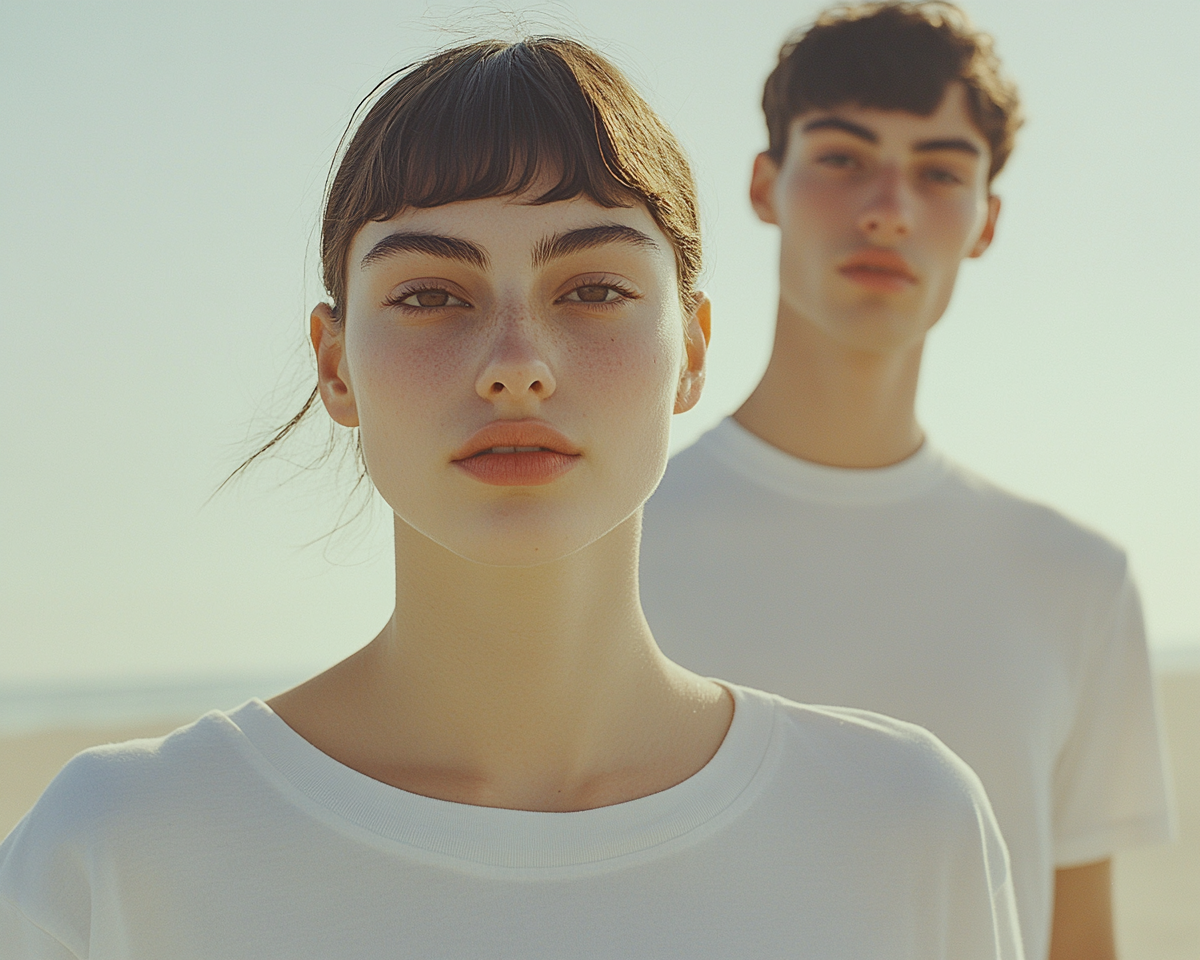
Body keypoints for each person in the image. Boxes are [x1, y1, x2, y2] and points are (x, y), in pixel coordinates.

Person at [0, 36, 1022, 960]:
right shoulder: (118, 848)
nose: (517, 367)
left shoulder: (901, 827)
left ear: (695, 351)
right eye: (432, 296)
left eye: (593, 289)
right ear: (335, 363)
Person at [638, 5, 1173, 960]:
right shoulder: (613, 543)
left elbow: (1079, 943)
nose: (888, 207)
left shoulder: (1077, 582)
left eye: (938, 171)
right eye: (843, 158)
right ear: (766, 185)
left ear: (986, 222)